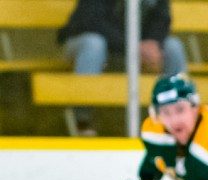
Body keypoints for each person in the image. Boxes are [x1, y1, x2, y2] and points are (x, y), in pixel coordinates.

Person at [57, 0, 188, 135]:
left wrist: (152, 42)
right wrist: (133, 45)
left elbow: (162, 18)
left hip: (132, 44)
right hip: (84, 40)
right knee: (94, 44)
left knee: (173, 47)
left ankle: (178, 119)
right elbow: (91, 21)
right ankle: (82, 120)